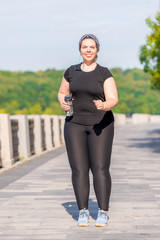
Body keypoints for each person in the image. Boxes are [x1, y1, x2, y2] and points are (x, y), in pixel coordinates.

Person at [58, 34, 118, 227]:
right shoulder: (71, 71)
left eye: (92, 47)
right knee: (79, 169)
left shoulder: (104, 73)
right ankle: (82, 211)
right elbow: (62, 92)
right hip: (74, 124)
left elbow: (113, 99)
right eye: (85, 47)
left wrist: (104, 105)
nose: (88, 50)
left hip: (101, 124)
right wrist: (63, 103)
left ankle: (103, 211)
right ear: (80, 50)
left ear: (97, 50)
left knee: (100, 168)